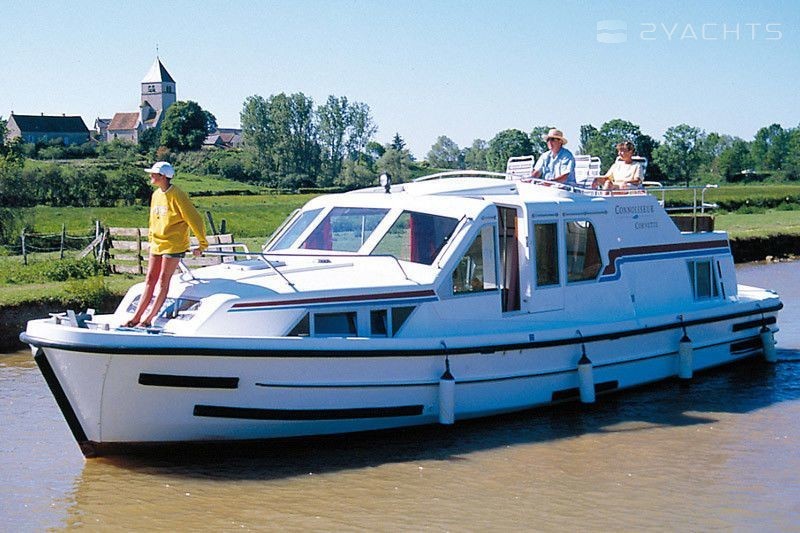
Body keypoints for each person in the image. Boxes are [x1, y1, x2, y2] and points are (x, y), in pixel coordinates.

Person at [123, 162, 208, 327]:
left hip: (173, 244)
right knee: (150, 278)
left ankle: (148, 319)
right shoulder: (156, 195)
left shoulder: (178, 195)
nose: (150, 176)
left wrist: (202, 244)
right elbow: (153, 220)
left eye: (153, 174)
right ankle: (136, 317)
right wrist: (151, 239)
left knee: (163, 280)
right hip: (157, 243)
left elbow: (194, 219)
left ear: (163, 176)